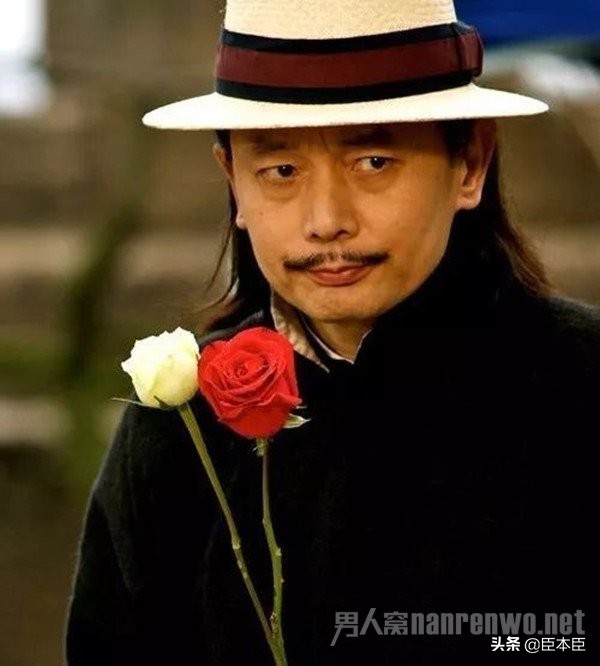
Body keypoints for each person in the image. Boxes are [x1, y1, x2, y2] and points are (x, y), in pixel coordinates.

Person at [65, 1, 597, 664]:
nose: (325, 220)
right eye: (281, 171)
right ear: (233, 180)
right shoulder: (181, 426)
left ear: (469, 163)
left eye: (373, 160)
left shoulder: (582, 384)